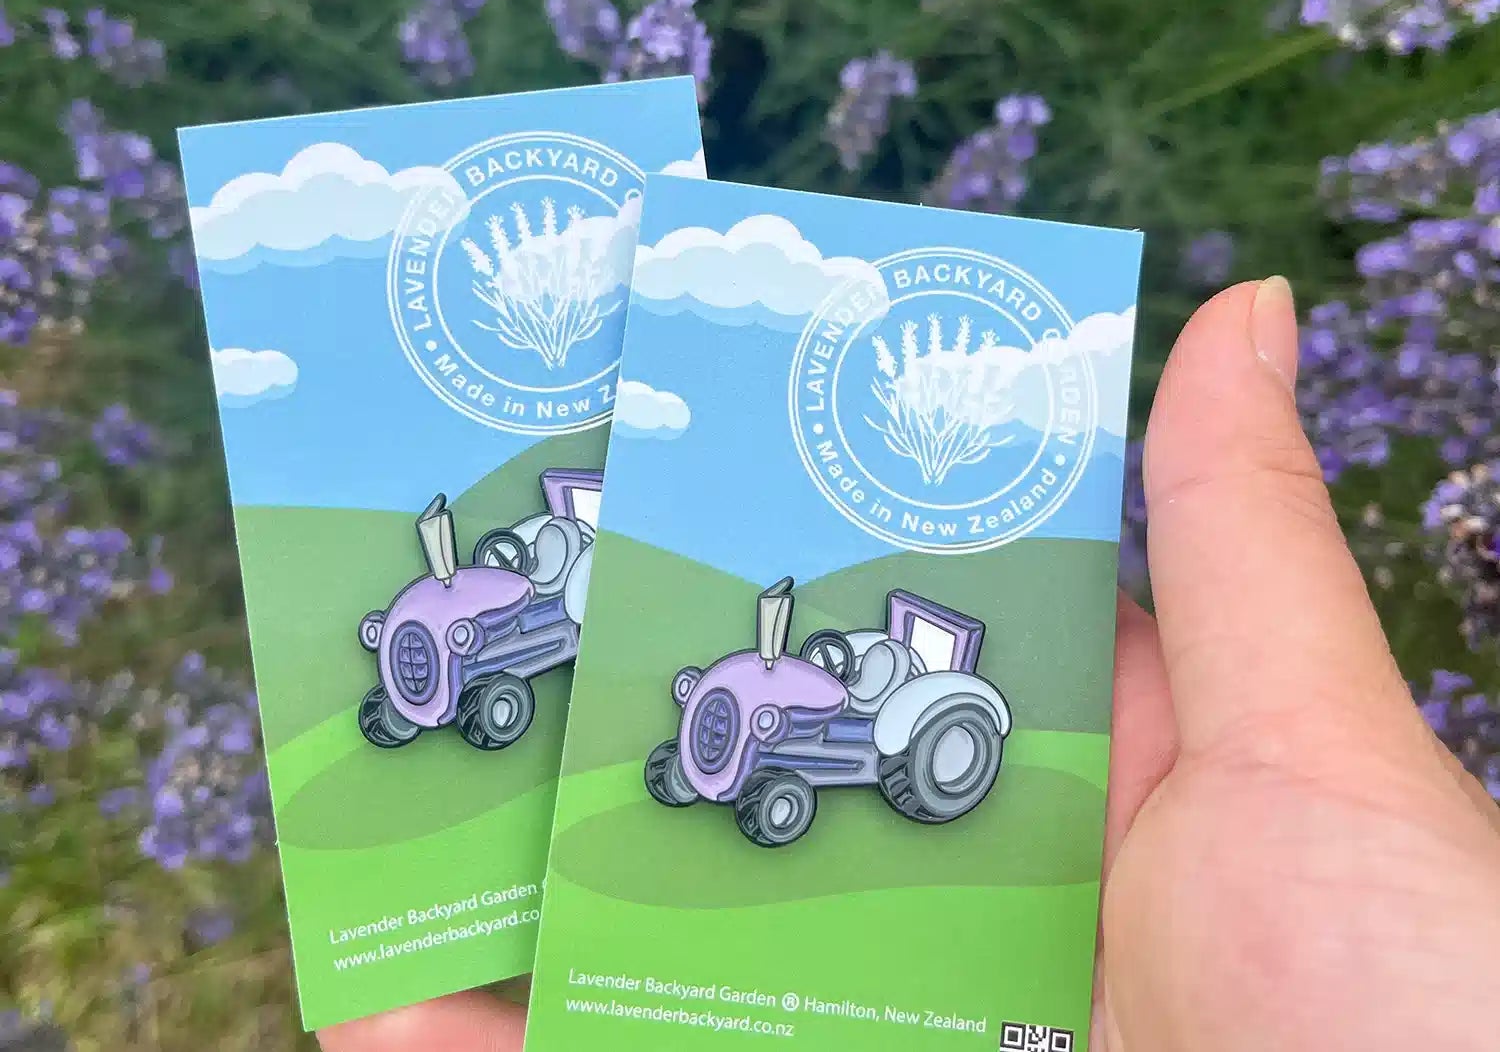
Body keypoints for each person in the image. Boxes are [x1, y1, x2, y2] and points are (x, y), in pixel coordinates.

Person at [320, 280, 1500, 1052]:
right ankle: (716, 762)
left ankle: (796, 779)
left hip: (914, 775)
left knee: (845, 719)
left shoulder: (928, 704)